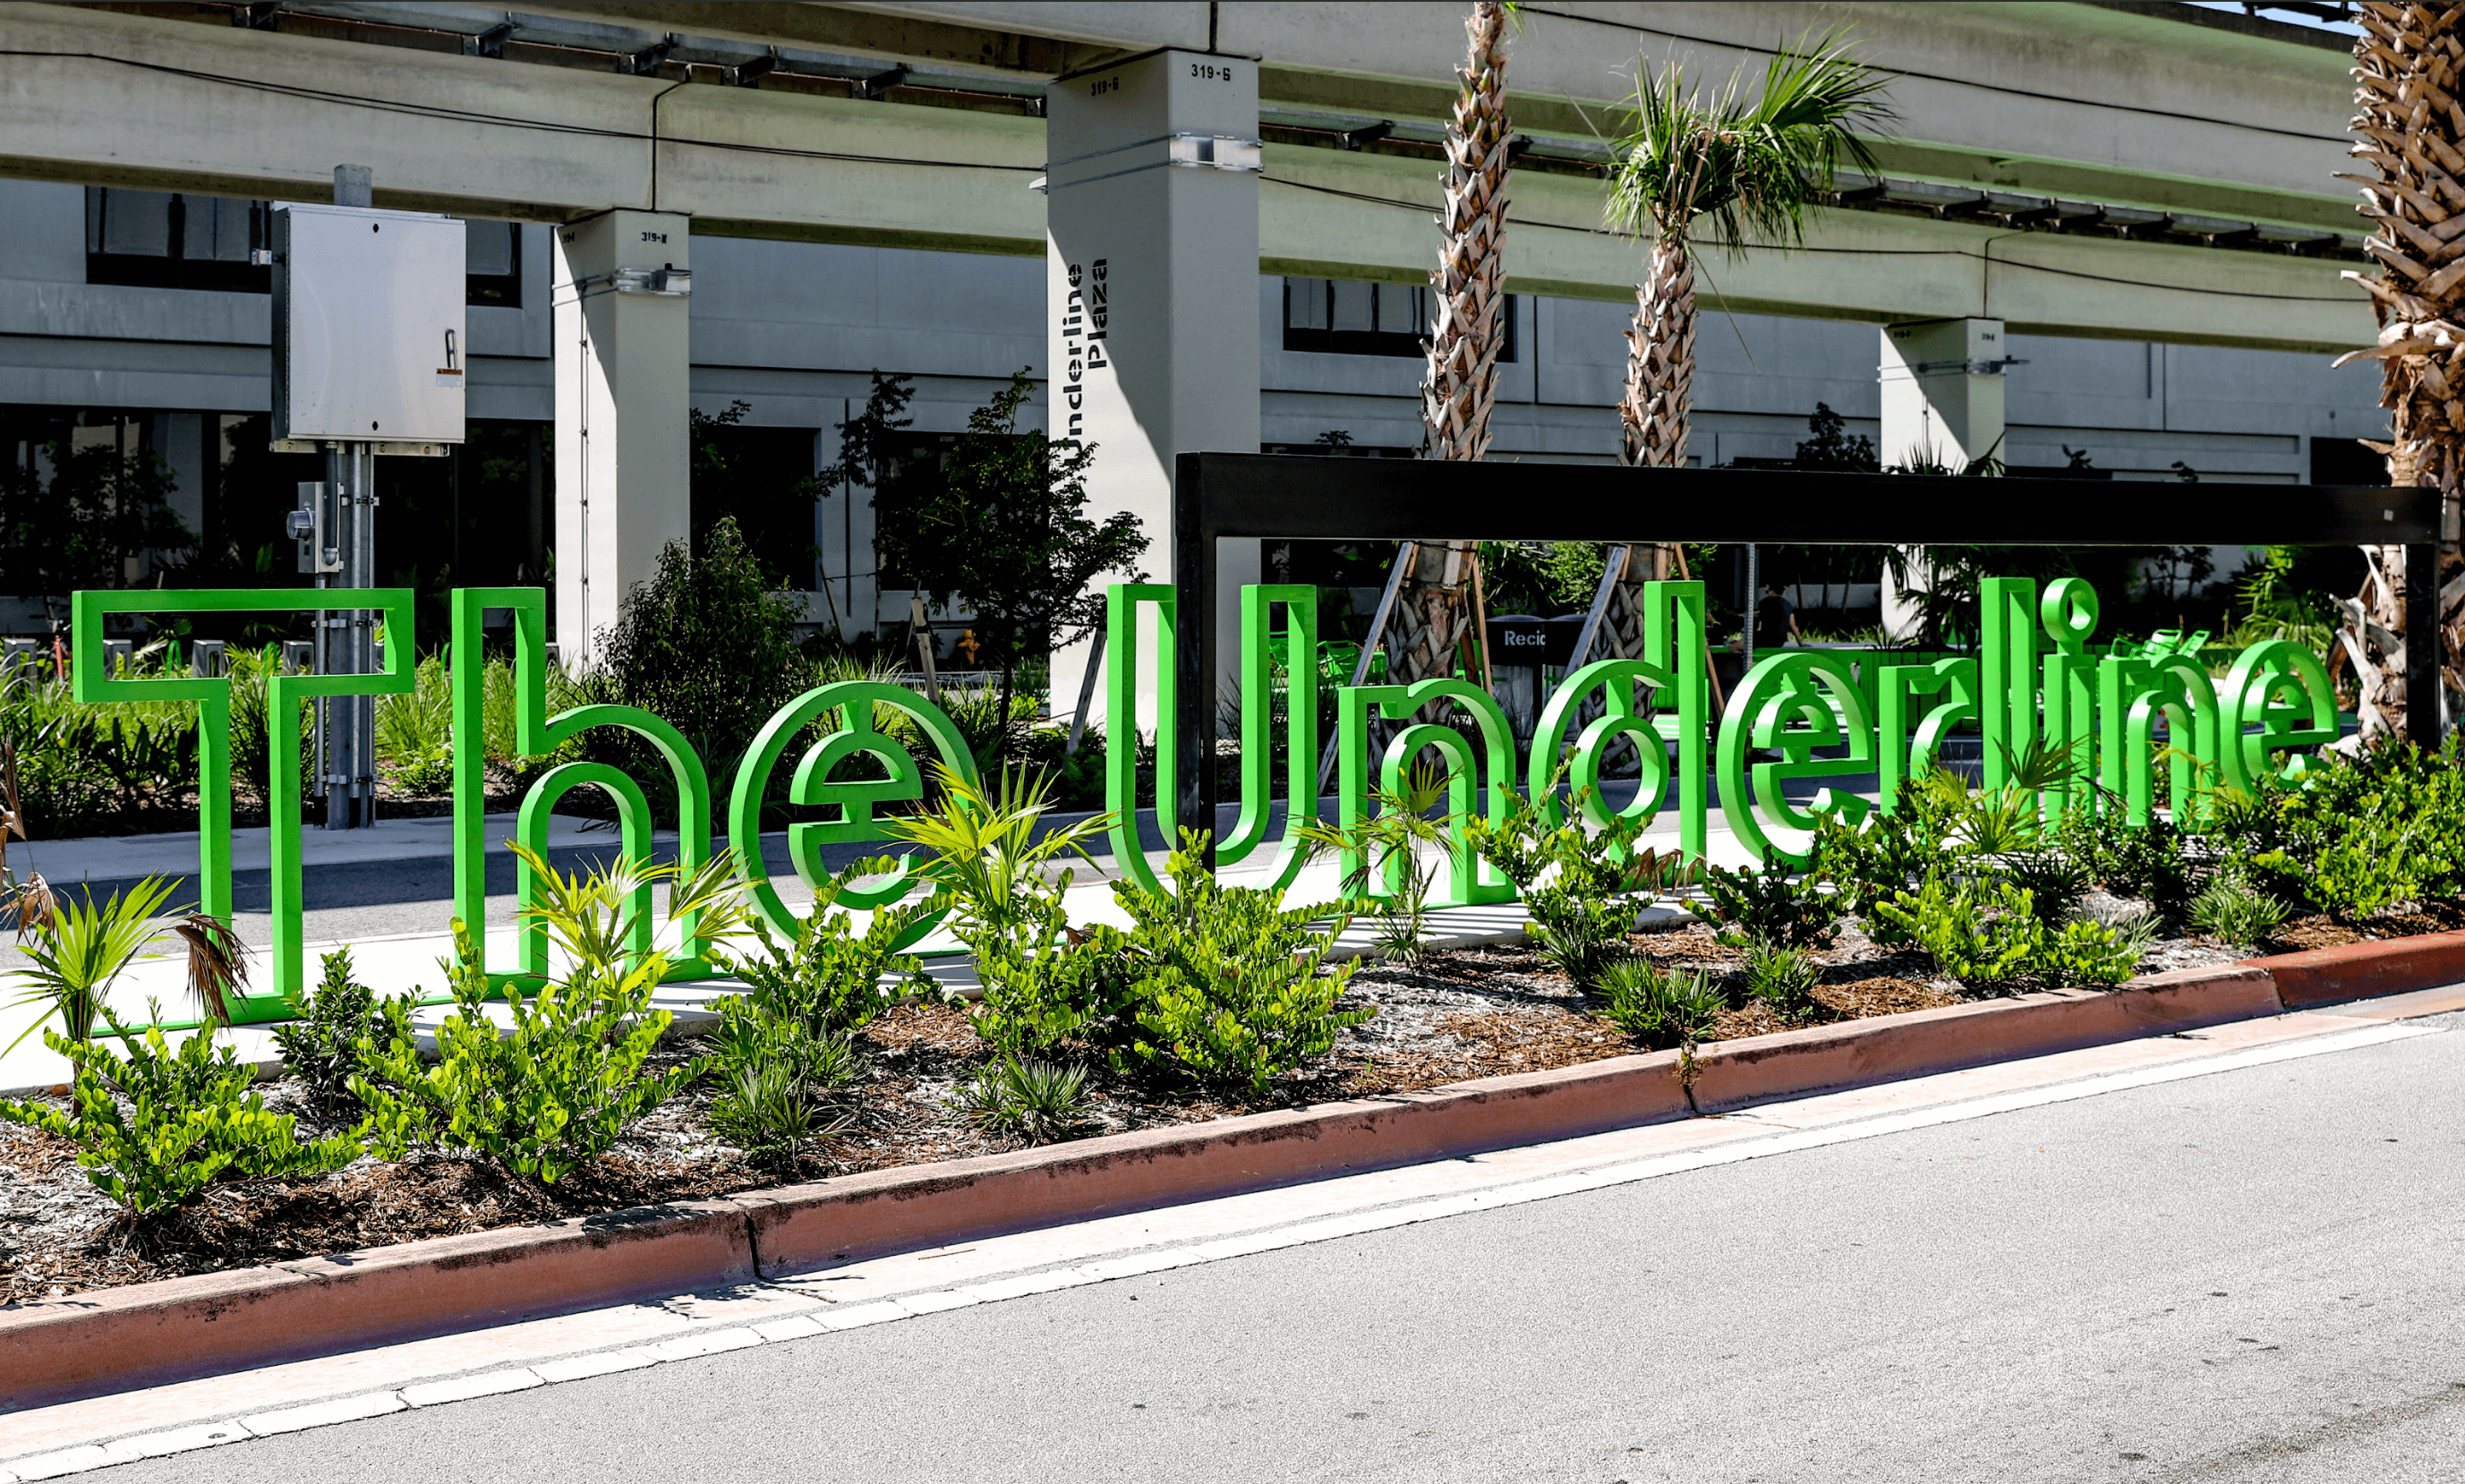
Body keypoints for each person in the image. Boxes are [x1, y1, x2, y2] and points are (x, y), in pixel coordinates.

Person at [1753, 581, 1801, 649]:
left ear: (1772, 591)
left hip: (1765, 639)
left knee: (1739, 644)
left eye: (1767, 592)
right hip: (1780, 641)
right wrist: (1800, 644)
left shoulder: (1763, 602)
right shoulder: (1788, 604)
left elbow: (1755, 620)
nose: (1767, 594)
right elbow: (1793, 627)